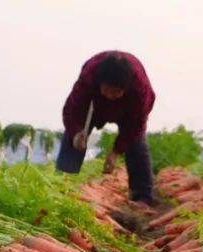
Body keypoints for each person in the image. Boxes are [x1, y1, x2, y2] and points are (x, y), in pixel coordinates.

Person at [56, 51, 156, 202]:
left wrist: (115, 151)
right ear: (100, 83)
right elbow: (72, 110)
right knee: (73, 138)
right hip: (94, 105)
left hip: (127, 110)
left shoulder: (140, 89)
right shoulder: (89, 77)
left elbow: (136, 124)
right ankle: (62, 186)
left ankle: (142, 198)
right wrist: (76, 134)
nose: (110, 95)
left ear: (125, 87)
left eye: (116, 92)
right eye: (107, 89)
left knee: (136, 144)